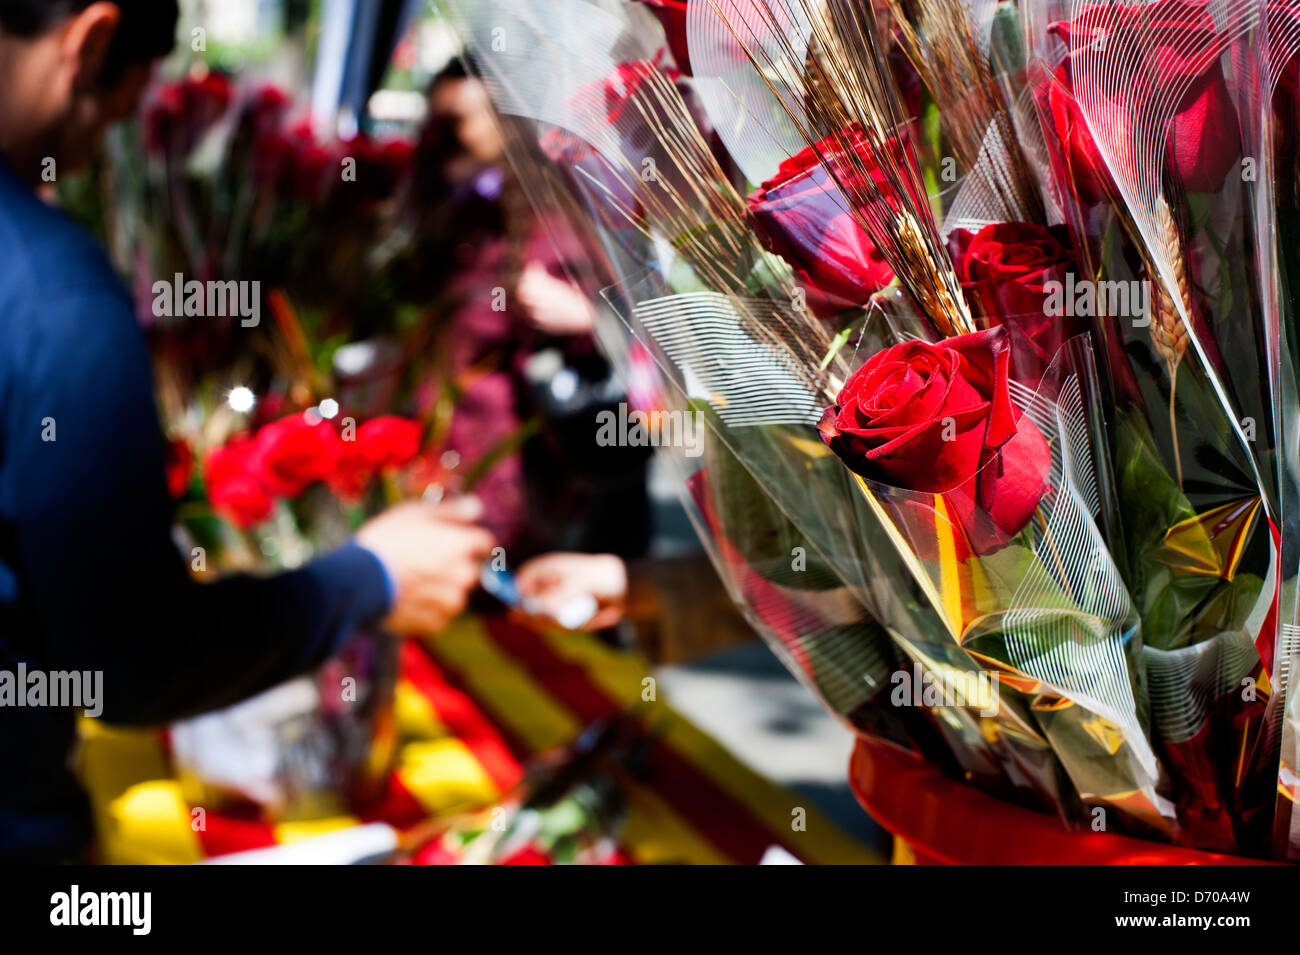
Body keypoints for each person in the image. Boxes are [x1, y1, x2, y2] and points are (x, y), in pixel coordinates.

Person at [0, 0, 497, 862]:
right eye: (128, 95)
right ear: (92, 40)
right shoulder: (51, 296)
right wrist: (368, 576)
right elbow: (129, 656)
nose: (116, 127)